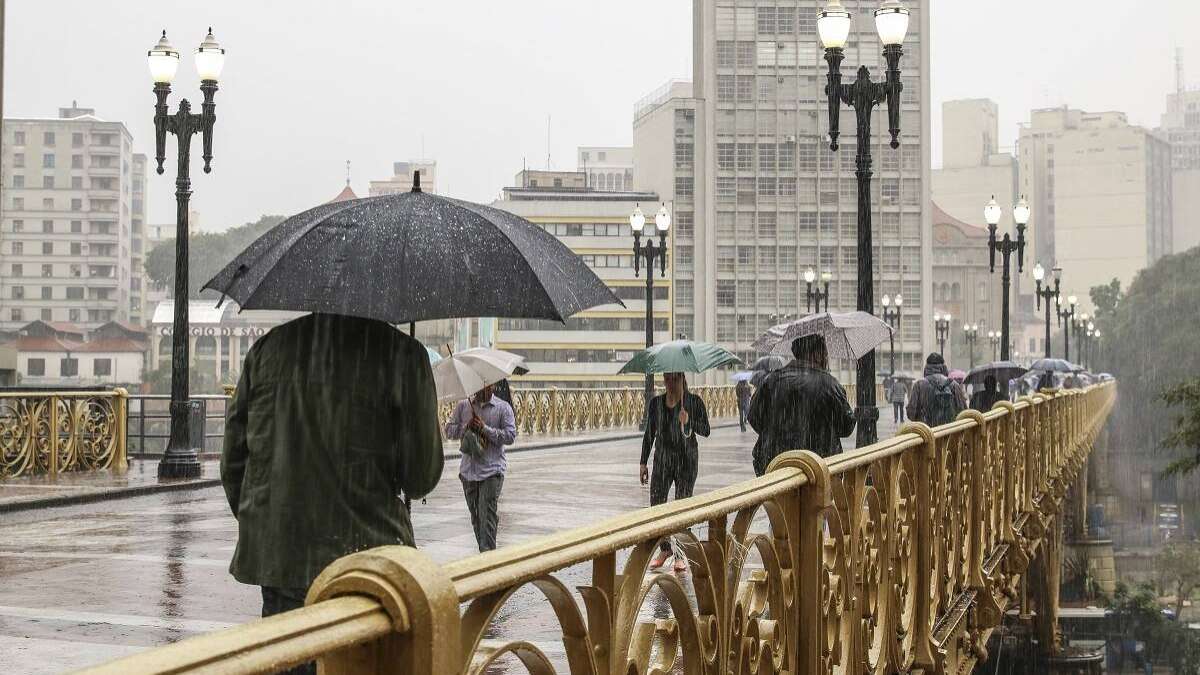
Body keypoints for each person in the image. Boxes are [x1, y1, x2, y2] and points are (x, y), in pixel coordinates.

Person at [221, 313, 444, 675]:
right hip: (367, 563)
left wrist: (271, 522)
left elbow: (233, 461)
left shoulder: (268, 349)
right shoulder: (404, 355)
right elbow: (421, 478)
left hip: (283, 559)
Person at [747, 334, 855, 476]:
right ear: (816, 354)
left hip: (774, 465)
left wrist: (778, 435)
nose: (826, 359)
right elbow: (846, 428)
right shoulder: (830, 384)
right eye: (825, 354)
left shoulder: (772, 380)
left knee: (775, 499)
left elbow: (754, 417)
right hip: (817, 469)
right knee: (815, 498)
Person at [638, 372, 711, 571]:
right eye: (667, 379)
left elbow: (706, 429)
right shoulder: (656, 404)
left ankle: (679, 552)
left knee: (681, 505)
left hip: (686, 460)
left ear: (682, 379)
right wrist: (643, 462)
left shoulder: (693, 402)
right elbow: (649, 433)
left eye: (674, 379)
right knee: (657, 503)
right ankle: (665, 547)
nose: (670, 384)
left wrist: (688, 422)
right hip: (662, 459)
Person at [446, 383, 517, 552]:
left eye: (486, 386)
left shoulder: (502, 407)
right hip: (468, 472)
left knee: (487, 517)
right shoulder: (464, 406)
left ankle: (488, 557)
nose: (482, 391)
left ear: (492, 386)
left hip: (491, 471)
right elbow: (448, 430)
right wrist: (465, 427)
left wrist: (485, 429)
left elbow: (510, 436)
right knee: (476, 518)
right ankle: (484, 551)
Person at [906, 352, 967, 427]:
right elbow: (963, 411)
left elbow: (911, 414)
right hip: (949, 433)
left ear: (926, 368)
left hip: (927, 434)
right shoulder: (953, 385)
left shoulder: (919, 385)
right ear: (944, 367)